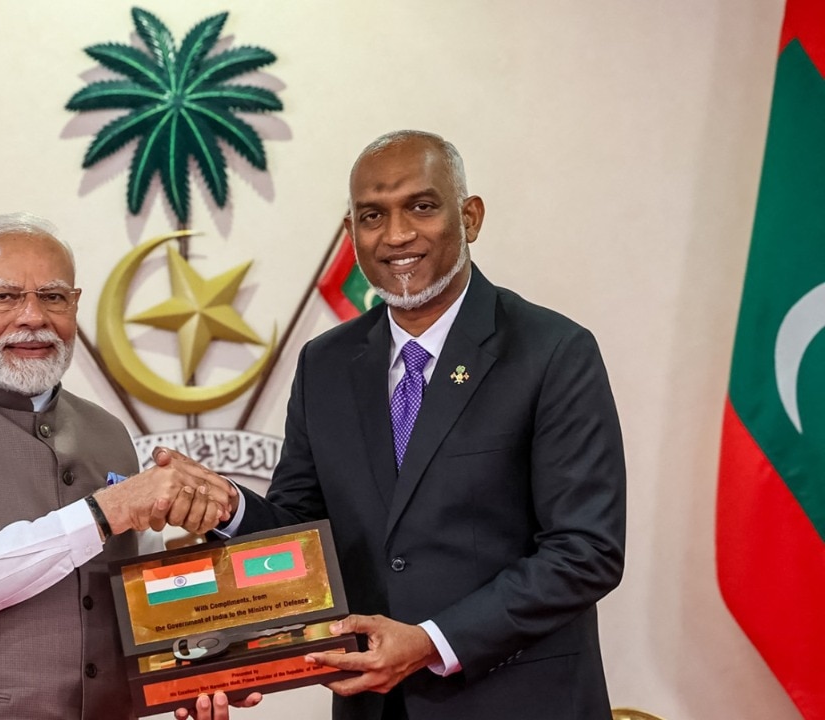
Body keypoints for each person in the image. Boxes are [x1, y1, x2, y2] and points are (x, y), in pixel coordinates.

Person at [216, 131, 627, 719]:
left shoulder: (553, 351)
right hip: (375, 708)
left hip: (519, 702)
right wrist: (229, 506)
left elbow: (586, 550)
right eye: (372, 216)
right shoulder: (324, 364)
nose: (396, 234)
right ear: (352, 232)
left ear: (470, 217)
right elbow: (303, 537)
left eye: (422, 206)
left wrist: (433, 641)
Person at [0, 212, 254, 720]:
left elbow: (140, 593)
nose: (33, 317)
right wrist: (105, 511)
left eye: (53, 297)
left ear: (74, 306)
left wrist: (207, 666)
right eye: (4, 296)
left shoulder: (106, 431)